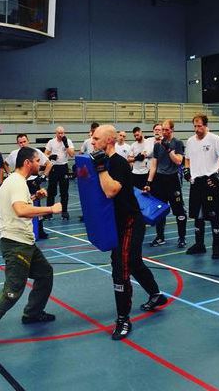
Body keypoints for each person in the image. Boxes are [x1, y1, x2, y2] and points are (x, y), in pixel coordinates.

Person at [0, 147, 61, 358]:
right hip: (16, 245)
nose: (39, 164)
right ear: (27, 163)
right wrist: (51, 208)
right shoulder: (16, 182)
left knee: (45, 273)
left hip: (24, 242)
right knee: (12, 291)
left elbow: (18, 206)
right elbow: (21, 211)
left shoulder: (15, 181)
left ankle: (32, 313)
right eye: (37, 160)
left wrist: (34, 197)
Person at [90, 125, 167, 340]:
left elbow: (111, 190)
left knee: (121, 267)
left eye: (96, 138)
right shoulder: (103, 162)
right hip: (116, 222)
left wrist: (100, 168)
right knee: (133, 262)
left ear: (109, 141)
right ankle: (156, 295)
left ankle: (123, 319)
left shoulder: (118, 163)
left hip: (130, 222)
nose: (92, 142)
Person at [184, 115, 219, 258]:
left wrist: (218, 175)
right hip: (196, 182)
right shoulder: (190, 141)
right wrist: (187, 171)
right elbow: (187, 159)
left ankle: (218, 247)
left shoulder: (215, 139)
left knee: (215, 216)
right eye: (195, 126)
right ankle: (199, 244)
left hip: (210, 181)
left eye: (200, 126)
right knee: (197, 215)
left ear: (206, 125)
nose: (197, 129)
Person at [144, 119, 187, 248]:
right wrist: (148, 182)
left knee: (179, 210)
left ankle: (182, 238)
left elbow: (179, 161)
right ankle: (160, 237)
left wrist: (169, 149)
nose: (164, 132)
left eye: (166, 130)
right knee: (160, 210)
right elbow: (154, 165)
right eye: (162, 129)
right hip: (159, 181)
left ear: (172, 130)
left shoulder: (177, 143)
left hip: (173, 180)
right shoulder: (157, 145)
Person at [5, 133, 52, 239]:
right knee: (21, 206)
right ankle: (22, 231)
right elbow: (5, 163)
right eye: (20, 142)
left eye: (24, 141)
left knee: (36, 206)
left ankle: (40, 230)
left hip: (33, 182)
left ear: (28, 141)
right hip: (20, 181)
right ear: (17, 143)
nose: (22, 144)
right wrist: (9, 174)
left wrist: (43, 177)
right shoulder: (14, 153)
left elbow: (49, 164)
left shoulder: (36, 152)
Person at [45, 126, 74, 220]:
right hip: (53, 167)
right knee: (51, 190)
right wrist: (51, 156)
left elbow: (72, 154)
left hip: (64, 167)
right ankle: (49, 212)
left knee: (64, 191)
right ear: (56, 133)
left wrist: (66, 145)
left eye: (62, 133)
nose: (61, 135)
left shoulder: (68, 141)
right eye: (59, 133)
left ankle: (64, 211)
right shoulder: (51, 142)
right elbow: (45, 154)